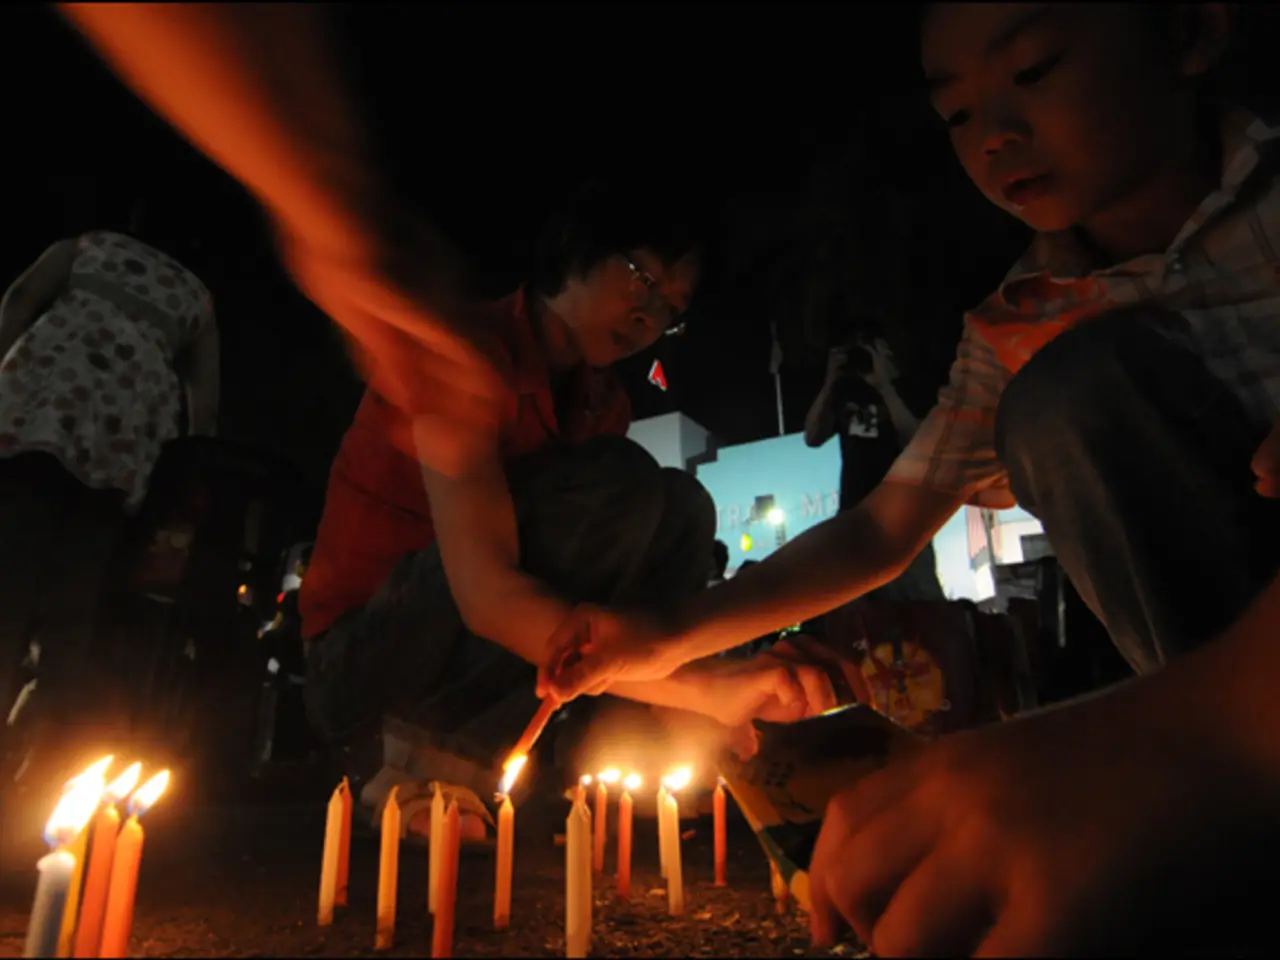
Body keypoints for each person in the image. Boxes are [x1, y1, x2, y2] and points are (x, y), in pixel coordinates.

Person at [543, 3, 1280, 953]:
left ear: (1188, 30)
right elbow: (880, 527)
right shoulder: (1021, 326)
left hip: (1226, 721)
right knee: (1063, 394)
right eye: (957, 114)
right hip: (1216, 685)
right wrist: (664, 635)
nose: (995, 136)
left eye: (1033, 70)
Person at [300, 181, 837, 830]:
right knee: (626, 481)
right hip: (364, 663)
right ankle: (420, 763)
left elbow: (596, 608)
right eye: (643, 278)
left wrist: (700, 696)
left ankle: (619, 748)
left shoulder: (602, 404)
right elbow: (488, 596)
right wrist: (701, 690)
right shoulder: (462, 352)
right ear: (578, 248)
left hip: (468, 644)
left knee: (682, 506)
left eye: (671, 308)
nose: (649, 316)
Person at [0, 220, 218, 772]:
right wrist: (186, 468)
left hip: (40, 414)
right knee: (76, 601)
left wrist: (9, 357)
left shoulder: (85, 247)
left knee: (9, 578)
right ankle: (41, 758)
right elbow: (205, 399)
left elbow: (22, 297)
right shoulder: (196, 295)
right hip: (121, 441)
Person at [803, 328, 944, 602]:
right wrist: (830, 382)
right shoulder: (845, 394)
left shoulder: (908, 391)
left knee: (918, 600)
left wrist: (884, 387)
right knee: (862, 604)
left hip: (902, 515)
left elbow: (917, 442)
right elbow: (812, 437)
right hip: (856, 514)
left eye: (874, 349)